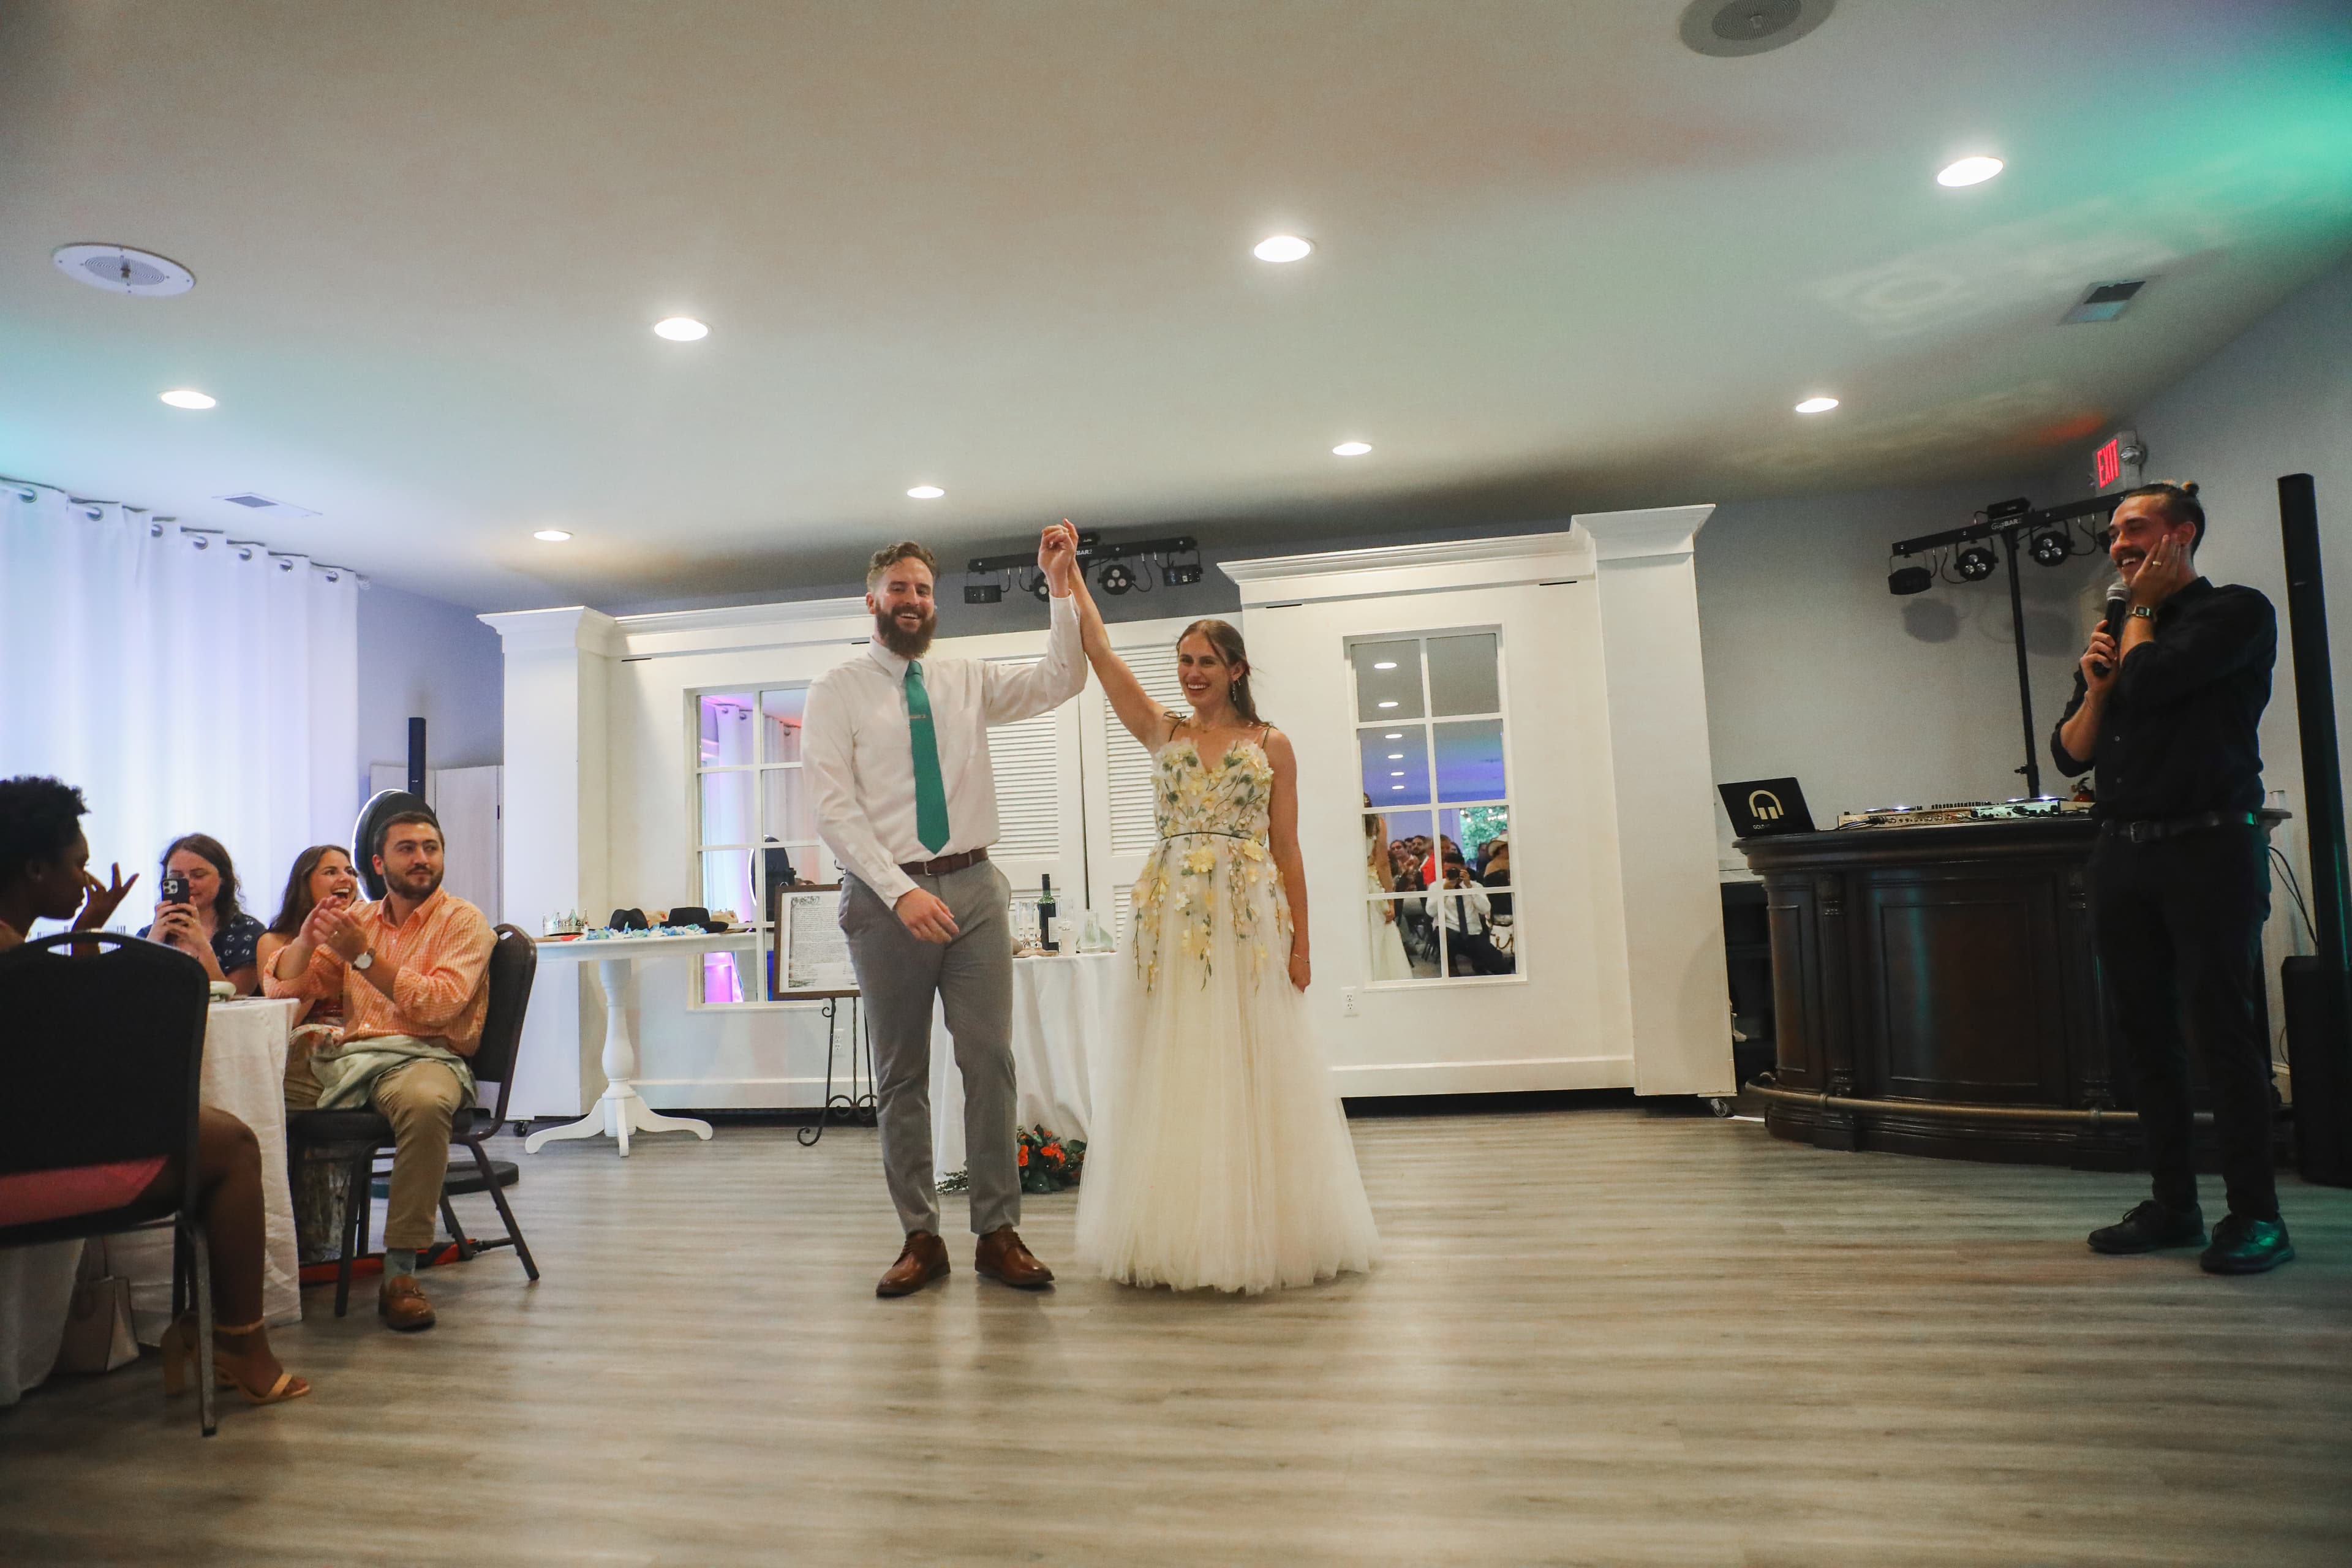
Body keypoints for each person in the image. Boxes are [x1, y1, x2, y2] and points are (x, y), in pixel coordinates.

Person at [1069, 589, 1380, 1294]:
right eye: (1183, 661)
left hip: (1247, 913)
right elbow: (1100, 652)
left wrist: (1302, 944)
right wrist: (1072, 579)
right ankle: (1175, 1222)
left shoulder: (1271, 744)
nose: (1191, 673)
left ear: (1236, 668)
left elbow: (1289, 847)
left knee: (1249, 1056)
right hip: (1171, 917)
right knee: (1175, 1059)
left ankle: (1259, 1222)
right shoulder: (1164, 731)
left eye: (1205, 660)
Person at [804, 526, 1085, 1297]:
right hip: (885, 898)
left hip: (976, 890)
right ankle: (920, 1237)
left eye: (924, 589)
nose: (913, 600)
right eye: (899, 587)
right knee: (901, 1075)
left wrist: (1060, 587)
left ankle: (998, 1232)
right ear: (872, 600)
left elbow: (1063, 678)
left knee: (989, 1060)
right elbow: (834, 810)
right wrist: (901, 889)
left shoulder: (966, 677)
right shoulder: (837, 691)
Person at [0, 776, 308, 1408]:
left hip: (28, 1143)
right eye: (78, 865)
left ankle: (215, 1334)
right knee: (232, 1145)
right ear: (35, 868)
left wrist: (87, 930)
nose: (88, 878)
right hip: (33, 1165)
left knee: (211, 1131)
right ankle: (240, 1342)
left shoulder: (17, 946)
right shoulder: (13, 957)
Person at [2051, 480, 2291, 1275]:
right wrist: (2094, 687)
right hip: (2123, 850)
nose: (2120, 543)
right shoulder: (2119, 626)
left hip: (2209, 846)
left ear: (2181, 534)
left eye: (2135, 528)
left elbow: (2153, 683)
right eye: (2115, 533)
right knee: (2146, 1036)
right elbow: (2073, 751)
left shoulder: (2238, 614)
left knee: (2224, 1034)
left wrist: (2142, 616)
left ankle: (2256, 1216)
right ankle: (2174, 1205)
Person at [263, 809, 496, 1327]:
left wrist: (364, 959)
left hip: (424, 1055)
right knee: (247, 1091)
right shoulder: (360, 922)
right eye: (407, 849)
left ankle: (400, 1271)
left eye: (430, 847)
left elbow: (438, 1006)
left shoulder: (463, 921)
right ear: (378, 862)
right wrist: (304, 941)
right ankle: (261, 1261)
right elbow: (286, 991)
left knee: (426, 1102)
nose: (422, 859)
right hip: (352, 1059)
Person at [257, 844, 362, 1261]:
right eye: (330, 871)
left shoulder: (367, 931)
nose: (345, 879)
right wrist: (315, 945)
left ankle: (320, 1242)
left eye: (350, 871)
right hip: (299, 1042)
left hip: (350, 1044)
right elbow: (288, 1012)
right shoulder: (277, 941)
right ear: (305, 882)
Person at [139, 832, 264, 994]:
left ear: (223, 878)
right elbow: (131, 991)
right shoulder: (148, 934)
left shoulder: (247, 932)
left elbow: (235, 999)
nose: (188, 883)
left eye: (198, 875)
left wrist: (202, 946)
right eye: (176, 877)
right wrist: (152, 943)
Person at [1425, 855, 1513, 976]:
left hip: (1473, 933)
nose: (1452, 874)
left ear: (1464, 868)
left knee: (1503, 969)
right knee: (1446, 936)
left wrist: (1470, 889)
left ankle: (1479, 963)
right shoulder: (1437, 886)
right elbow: (1431, 912)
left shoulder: (1476, 886)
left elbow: (1485, 909)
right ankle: (1451, 966)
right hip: (1448, 931)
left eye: (1455, 870)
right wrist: (1444, 892)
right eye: (1448, 871)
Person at [1365, 797, 1412, 982]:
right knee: (1380, 935)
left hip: (1352, 882)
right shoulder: (1378, 823)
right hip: (1371, 884)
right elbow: (1383, 864)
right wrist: (1390, 901)